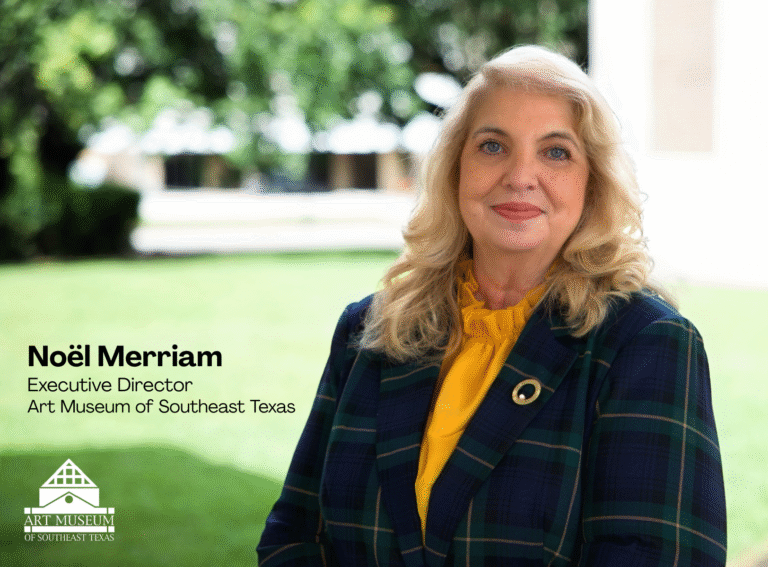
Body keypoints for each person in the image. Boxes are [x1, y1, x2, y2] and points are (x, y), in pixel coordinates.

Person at [257, 45, 726, 566]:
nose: (520, 176)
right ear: (456, 167)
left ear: (592, 180)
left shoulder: (646, 345)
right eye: (492, 146)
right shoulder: (370, 331)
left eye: (555, 152)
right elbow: (293, 533)